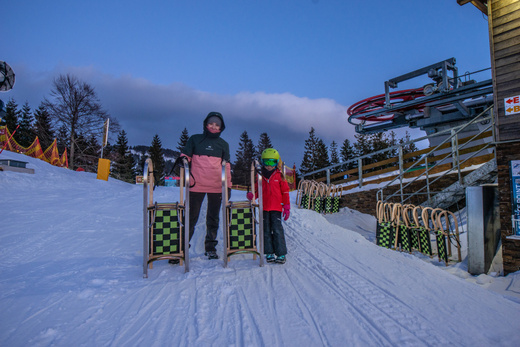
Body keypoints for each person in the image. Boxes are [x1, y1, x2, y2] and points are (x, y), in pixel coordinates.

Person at [172, 111, 232, 262]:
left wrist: (228, 187)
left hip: (216, 186)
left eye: (217, 124)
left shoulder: (223, 144)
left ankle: (210, 248)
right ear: (206, 124)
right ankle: (181, 248)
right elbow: (185, 156)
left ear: (221, 127)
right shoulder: (195, 139)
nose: (213, 126)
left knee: (213, 218)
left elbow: (227, 167)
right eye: (211, 123)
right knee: (190, 218)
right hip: (195, 184)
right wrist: (182, 160)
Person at [247, 148, 290, 264]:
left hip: (276, 208)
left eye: (272, 162)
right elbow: (256, 190)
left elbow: (285, 192)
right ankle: (269, 252)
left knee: (276, 230)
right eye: (266, 162)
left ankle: (281, 254)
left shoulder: (279, 176)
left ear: (276, 163)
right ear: (262, 162)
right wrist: (252, 195)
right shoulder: (260, 176)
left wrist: (286, 206)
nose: (269, 166)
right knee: (265, 230)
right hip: (264, 208)